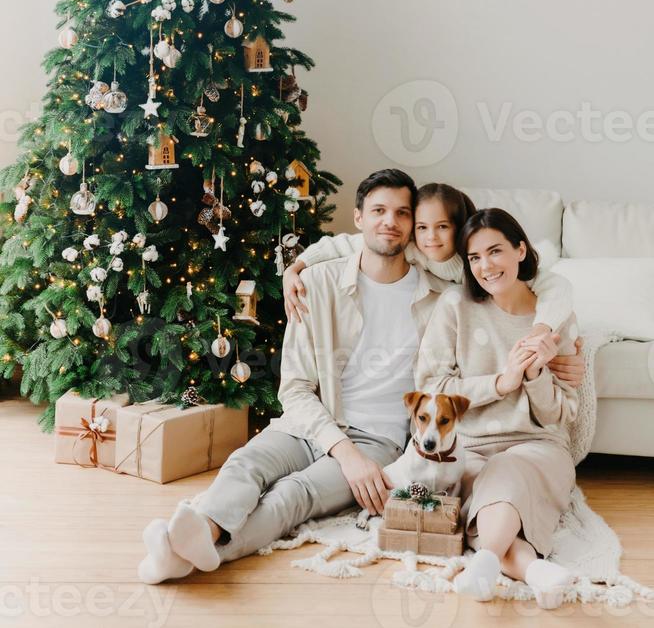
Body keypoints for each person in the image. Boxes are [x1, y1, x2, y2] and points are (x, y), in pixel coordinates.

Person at [138, 168, 443, 584]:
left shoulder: (437, 295)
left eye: (401, 213)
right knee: (246, 464)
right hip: (311, 424)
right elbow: (296, 388)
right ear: (358, 219)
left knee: (293, 495)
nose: (389, 221)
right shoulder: (316, 284)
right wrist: (343, 451)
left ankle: (191, 553)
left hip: (378, 440)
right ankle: (199, 538)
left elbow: (493, 272)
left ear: (412, 224)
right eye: (378, 211)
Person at [416, 208, 579, 609]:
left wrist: (537, 375)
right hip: (469, 445)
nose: (485, 266)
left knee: (504, 472)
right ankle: (538, 572)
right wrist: (501, 383)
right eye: (474, 258)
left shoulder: (556, 319)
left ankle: (485, 560)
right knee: (492, 491)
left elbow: (563, 416)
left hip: (539, 447)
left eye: (495, 251)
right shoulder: (456, 305)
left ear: (520, 249)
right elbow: (430, 388)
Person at [283, 182, 584, 386]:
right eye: (422, 227)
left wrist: (541, 330)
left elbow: (557, 287)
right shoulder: (414, 249)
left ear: (460, 227)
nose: (431, 238)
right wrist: (296, 266)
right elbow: (346, 244)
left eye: (442, 227)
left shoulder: (482, 259)